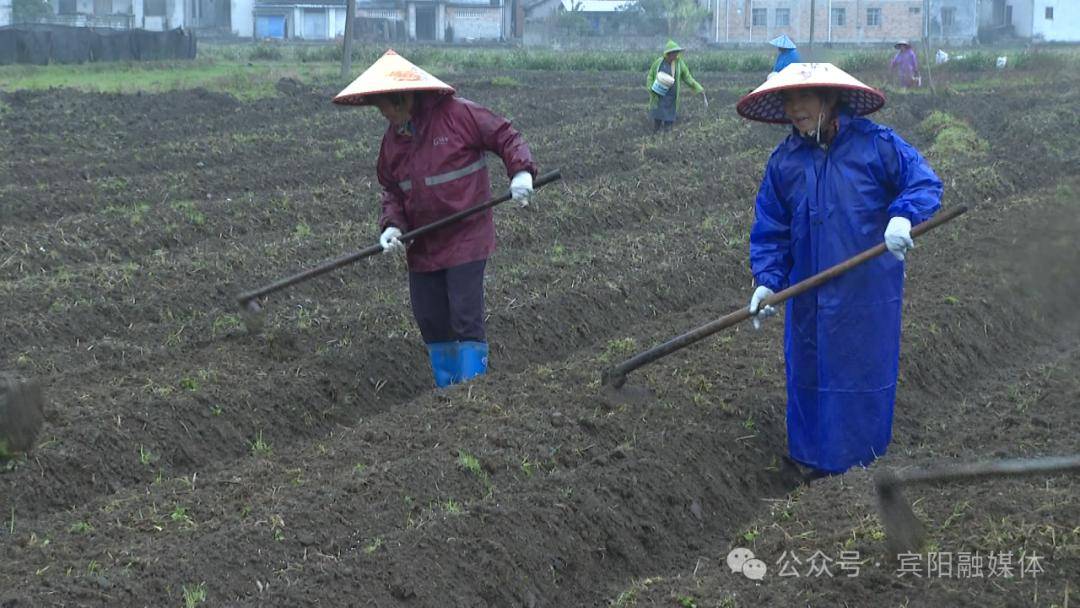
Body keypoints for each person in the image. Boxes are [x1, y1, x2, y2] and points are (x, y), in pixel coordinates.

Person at [736, 63, 943, 478]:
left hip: (865, 294)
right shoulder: (785, 162)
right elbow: (772, 230)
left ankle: (859, 465)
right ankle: (809, 461)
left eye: (804, 99)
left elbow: (922, 182)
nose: (795, 110)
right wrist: (767, 282)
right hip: (808, 297)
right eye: (789, 101)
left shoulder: (876, 146)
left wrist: (903, 217)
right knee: (808, 372)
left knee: (861, 371)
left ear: (830, 101)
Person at [333, 50, 538, 388]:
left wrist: (520, 173)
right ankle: (448, 392)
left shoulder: (459, 115)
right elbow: (393, 190)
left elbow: (505, 136)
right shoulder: (392, 141)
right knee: (430, 318)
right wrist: (393, 225)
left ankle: (473, 390)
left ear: (401, 96)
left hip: (466, 235)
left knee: (464, 315)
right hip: (424, 244)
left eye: (382, 103)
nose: (381, 112)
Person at [647, 39, 706, 132]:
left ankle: (667, 136)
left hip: (672, 97)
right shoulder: (658, 63)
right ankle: (656, 132)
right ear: (668, 54)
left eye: (677, 53)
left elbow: (687, 77)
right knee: (658, 117)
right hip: (659, 95)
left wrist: (698, 87)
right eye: (674, 53)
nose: (675, 55)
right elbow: (650, 75)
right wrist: (650, 87)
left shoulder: (679, 64)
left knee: (669, 120)